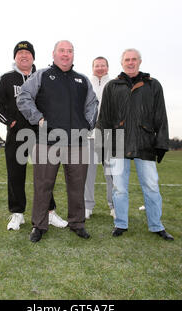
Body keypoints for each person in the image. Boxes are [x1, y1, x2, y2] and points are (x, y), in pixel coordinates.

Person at [17, 40, 98, 242]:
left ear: (73, 55)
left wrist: (87, 124)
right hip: (47, 141)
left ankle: (77, 223)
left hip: (78, 141)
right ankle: (39, 225)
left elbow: (93, 104)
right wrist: (38, 118)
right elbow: (24, 96)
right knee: (43, 184)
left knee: (77, 185)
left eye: (69, 51)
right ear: (54, 54)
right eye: (62, 51)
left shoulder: (82, 80)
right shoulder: (42, 75)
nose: (66, 54)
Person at [97, 48, 174, 241]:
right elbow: (104, 118)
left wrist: (161, 143)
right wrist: (102, 146)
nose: (130, 63)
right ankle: (120, 223)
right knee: (119, 188)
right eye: (126, 60)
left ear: (139, 62)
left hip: (145, 143)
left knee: (151, 186)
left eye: (134, 59)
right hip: (118, 144)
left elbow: (161, 116)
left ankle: (156, 225)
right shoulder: (112, 86)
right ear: (121, 63)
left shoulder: (153, 85)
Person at [0, 41, 68, 231]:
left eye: (27, 53)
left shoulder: (43, 77)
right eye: (20, 53)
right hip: (17, 135)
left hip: (41, 135)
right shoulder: (6, 79)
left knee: (45, 174)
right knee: (16, 174)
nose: (24, 56)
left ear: (33, 57)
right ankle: (17, 214)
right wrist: (11, 122)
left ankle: (49, 213)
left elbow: (55, 103)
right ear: (15, 57)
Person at [84, 56, 114, 219]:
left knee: (111, 172)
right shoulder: (86, 83)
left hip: (110, 135)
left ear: (107, 67)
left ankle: (114, 205)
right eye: (97, 65)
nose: (100, 68)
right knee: (88, 173)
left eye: (103, 65)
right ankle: (87, 206)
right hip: (90, 135)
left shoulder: (115, 83)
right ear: (93, 67)